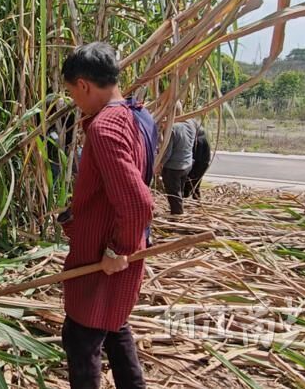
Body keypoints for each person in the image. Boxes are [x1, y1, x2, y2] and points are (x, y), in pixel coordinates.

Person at [57, 42, 154, 389]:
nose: (74, 100)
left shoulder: (105, 128)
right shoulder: (138, 115)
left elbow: (138, 203)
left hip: (103, 257)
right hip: (116, 253)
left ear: (83, 84)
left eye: (72, 92)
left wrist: (118, 250)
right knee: (113, 324)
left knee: (81, 337)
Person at [161, 106, 197, 215]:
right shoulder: (191, 124)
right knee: (179, 191)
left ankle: (177, 216)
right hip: (187, 164)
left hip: (173, 167)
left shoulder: (172, 128)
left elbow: (167, 153)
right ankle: (179, 210)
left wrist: (159, 164)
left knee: (174, 195)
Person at [184, 121, 211, 200]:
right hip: (204, 163)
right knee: (197, 182)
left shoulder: (199, 140)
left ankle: (187, 195)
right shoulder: (204, 138)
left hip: (199, 164)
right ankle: (196, 196)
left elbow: (197, 156)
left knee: (191, 180)